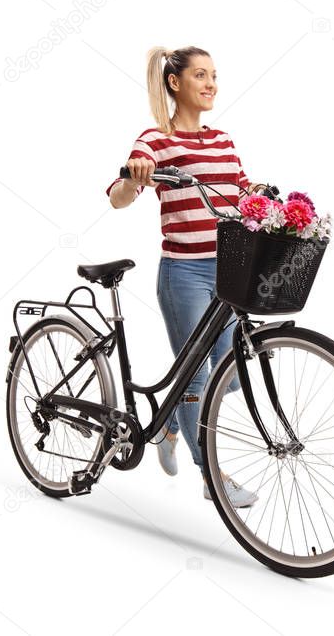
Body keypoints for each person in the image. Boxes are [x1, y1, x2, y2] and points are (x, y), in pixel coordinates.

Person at [105, 45, 262, 508]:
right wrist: (136, 177)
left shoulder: (223, 140)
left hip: (228, 271)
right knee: (197, 379)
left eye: (214, 75)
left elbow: (239, 186)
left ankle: (171, 422)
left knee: (231, 373)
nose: (211, 83)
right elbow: (117, 197)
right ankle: (214, 478)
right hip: (184, 275)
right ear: (176, 83)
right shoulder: (156, 140)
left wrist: (262, 195)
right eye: (200, 75)